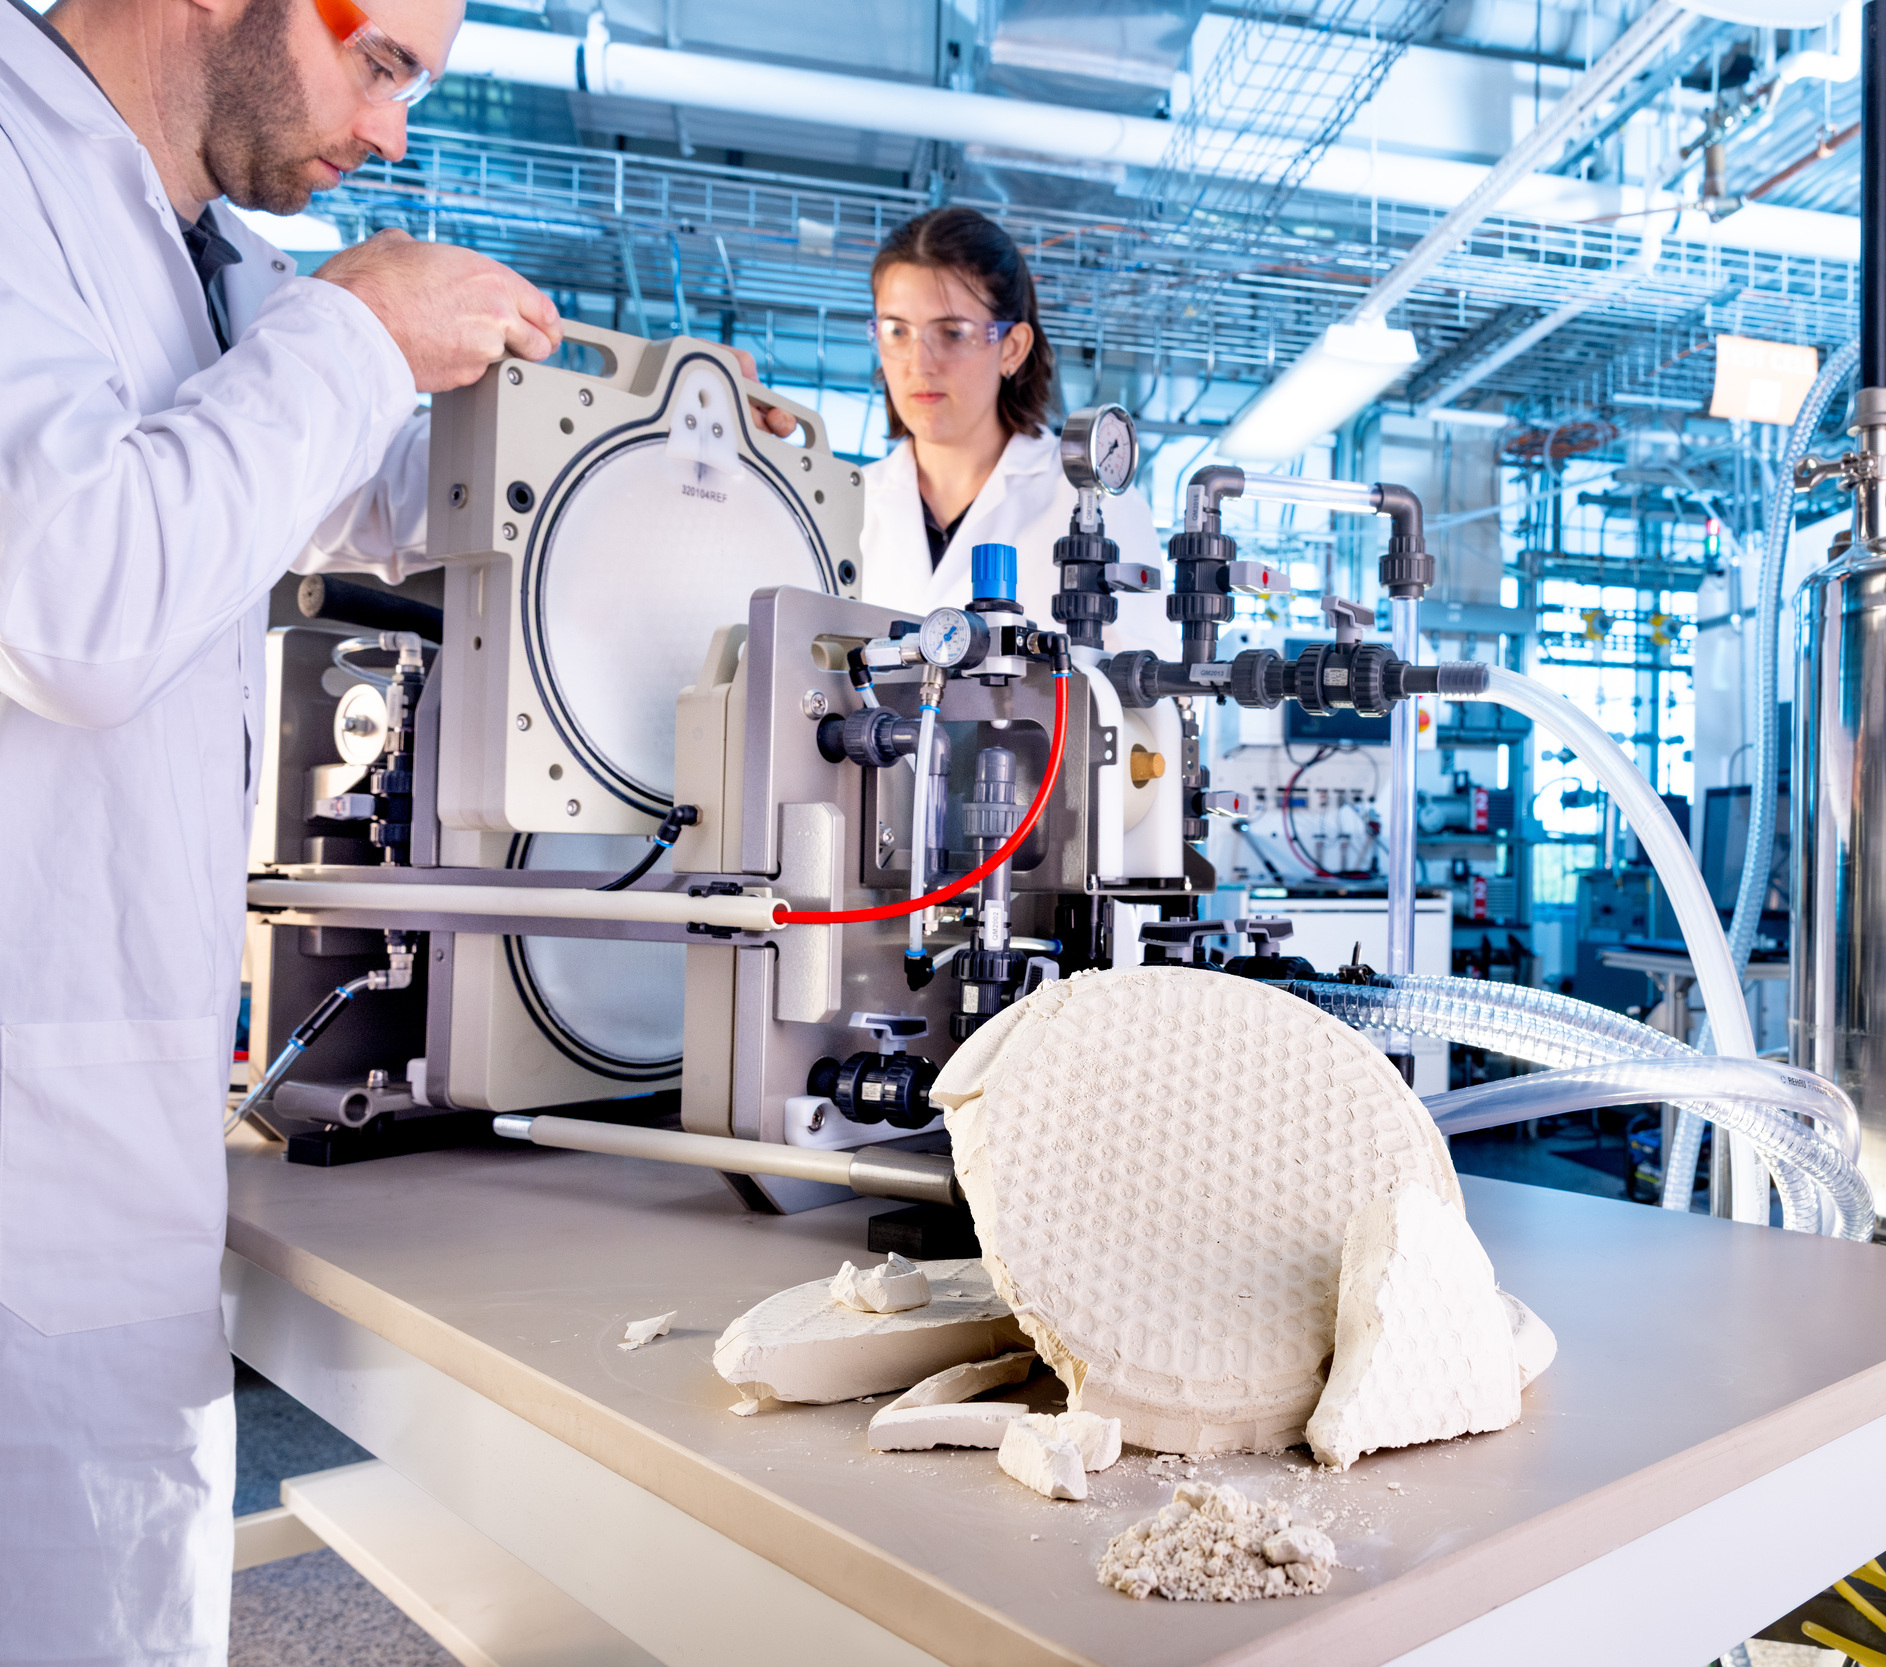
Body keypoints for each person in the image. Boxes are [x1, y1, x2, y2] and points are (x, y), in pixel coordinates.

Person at [0, 3, 777, 1661]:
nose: (400, 129)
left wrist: (656, 463)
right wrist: (354, 329)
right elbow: (72, 599)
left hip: (99, 1116)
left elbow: (380, 488)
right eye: (388, 61)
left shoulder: (191, 250)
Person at [857, 206, 1173, 652]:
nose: (918, 363)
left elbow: (1154, 706)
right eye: (896, 331)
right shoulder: (851, 503)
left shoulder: (1090, 503)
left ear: (1012, 347)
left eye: (951, 332)